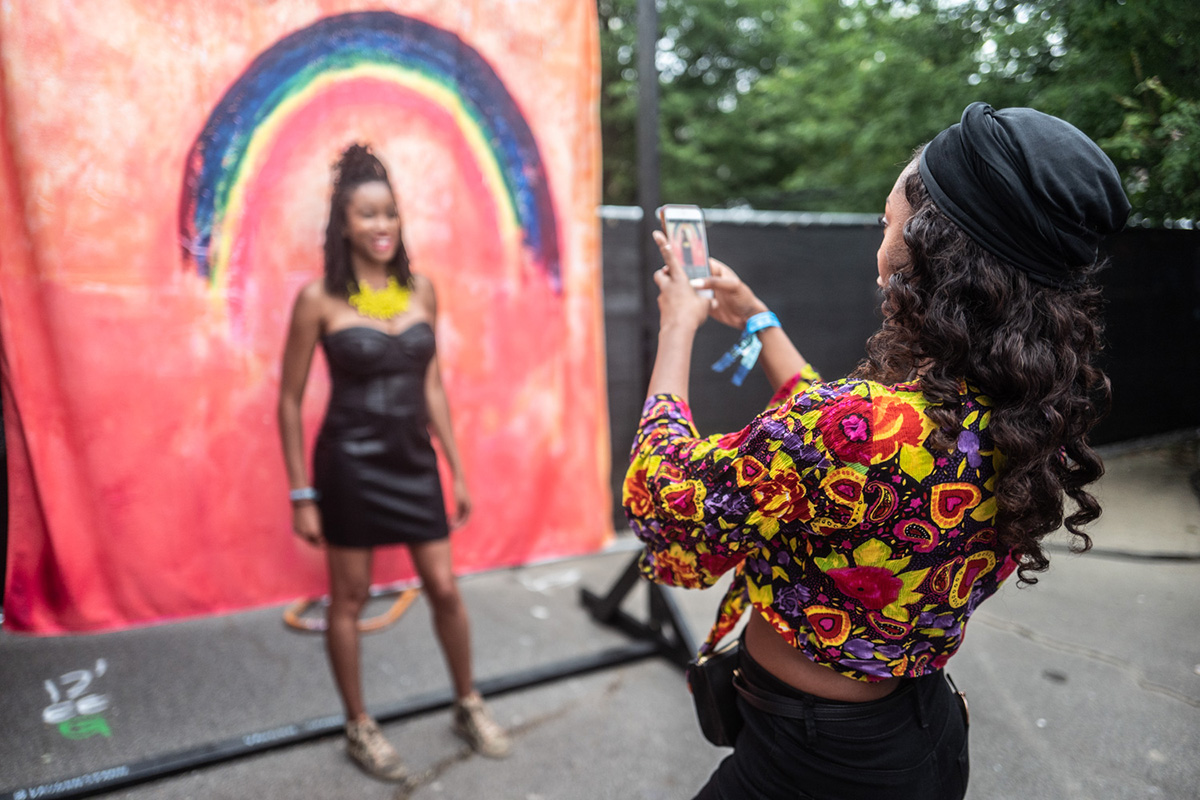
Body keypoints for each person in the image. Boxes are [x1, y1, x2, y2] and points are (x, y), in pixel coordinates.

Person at [623, 102, 1130, 799]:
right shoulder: (1030, 413)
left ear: (932, 254)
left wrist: (678, 326)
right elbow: (848, 457)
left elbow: (661, 495)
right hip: (914, 740)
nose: (880, 249)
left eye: (887, 224)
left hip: (810, 765)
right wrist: (759, 319)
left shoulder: (856, 429)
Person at [278, 144, 510, 781]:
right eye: (367, 214)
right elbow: (289, 400)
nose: (381, 225)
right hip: (349, 465)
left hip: (414, 461)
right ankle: (359, 725)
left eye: (390, 213)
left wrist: (455, 468)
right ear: (343, 225)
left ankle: (468, 703)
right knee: (349, 598)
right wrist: (301, 493)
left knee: (444, 588)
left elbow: (432, 385)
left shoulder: (422, 290)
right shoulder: (318, 299)